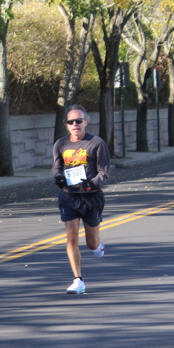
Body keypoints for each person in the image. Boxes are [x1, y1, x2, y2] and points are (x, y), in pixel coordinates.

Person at [52, 105, 110, 294]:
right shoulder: (60, 144)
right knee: (71, 237)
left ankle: (98, 246)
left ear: (86, 122)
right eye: (71, 122)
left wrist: (91, 184)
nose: (75, 124)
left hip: (91, 197)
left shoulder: (96, 143)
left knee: (91, 243)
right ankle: (78, 280)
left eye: (79, 121)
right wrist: (58, 178)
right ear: (66, 125)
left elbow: (103, 172)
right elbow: (56, 167)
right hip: (69, 197)